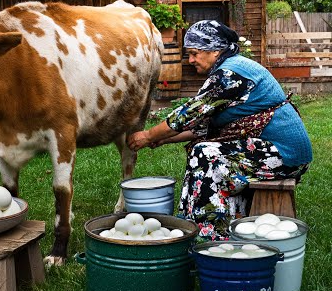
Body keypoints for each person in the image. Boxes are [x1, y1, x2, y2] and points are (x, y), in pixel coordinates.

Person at [127, 20, 312, 242]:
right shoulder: (232, 68)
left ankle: (207, 235)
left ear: (215, 50)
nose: (190, 60)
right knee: (205, 149)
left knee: (205, 154)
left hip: (286, 154)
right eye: (189, 54)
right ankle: (209, 224)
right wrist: (164, 140)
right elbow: (204, 127)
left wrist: (147, 136)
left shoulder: (230, 75)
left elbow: (187, 115)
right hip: (270, 150)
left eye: (195, 53)